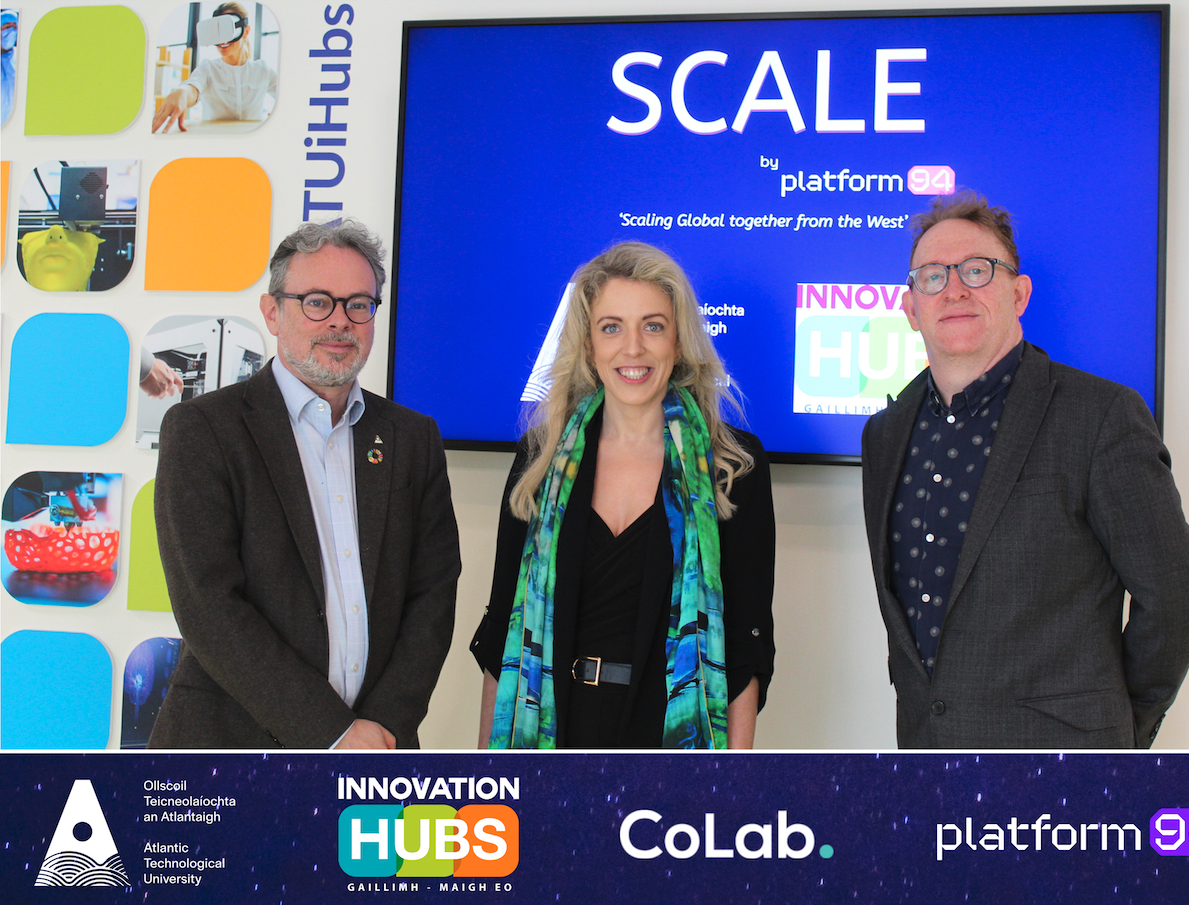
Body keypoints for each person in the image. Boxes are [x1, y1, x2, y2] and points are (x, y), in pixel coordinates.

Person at [861, 191, 1189, 748]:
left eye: (977, 270)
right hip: (925, 761)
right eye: (931, 276)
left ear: (1018, 293)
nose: (953, 289)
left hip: (1061, 770)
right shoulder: (885, 434)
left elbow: (1176, 602)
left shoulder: (1100, 417)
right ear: (909, 308)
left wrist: (1120, 731)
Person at [148, 220, 460, 749]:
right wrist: (334, 733)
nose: (341, 322)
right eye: (318, 302)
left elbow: (433, 594)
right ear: (273, 312)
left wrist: (383, 725)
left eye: (360, 304)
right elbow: (209, 607)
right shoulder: (204, 429)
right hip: (229, 754)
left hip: (376, 755)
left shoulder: (412, 437)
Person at [472, 242, 774, 749]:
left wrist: (731, 782)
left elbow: (746, 646)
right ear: (589, 344)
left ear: (678, 342)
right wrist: (491, 783)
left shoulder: (732, 466)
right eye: (612, 327)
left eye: (653, 326)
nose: (632, 349)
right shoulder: (539, 459)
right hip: (552, 729)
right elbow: (504, 628)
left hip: (670, 737)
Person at [151, 2, 277, 132]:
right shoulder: (208, 68)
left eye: (227, 30)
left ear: (245, 32)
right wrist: (182, 92)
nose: (222, 41)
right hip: (215, 142)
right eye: (217, 31)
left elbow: (289, 96)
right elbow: (194, 87)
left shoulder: (263, 70)